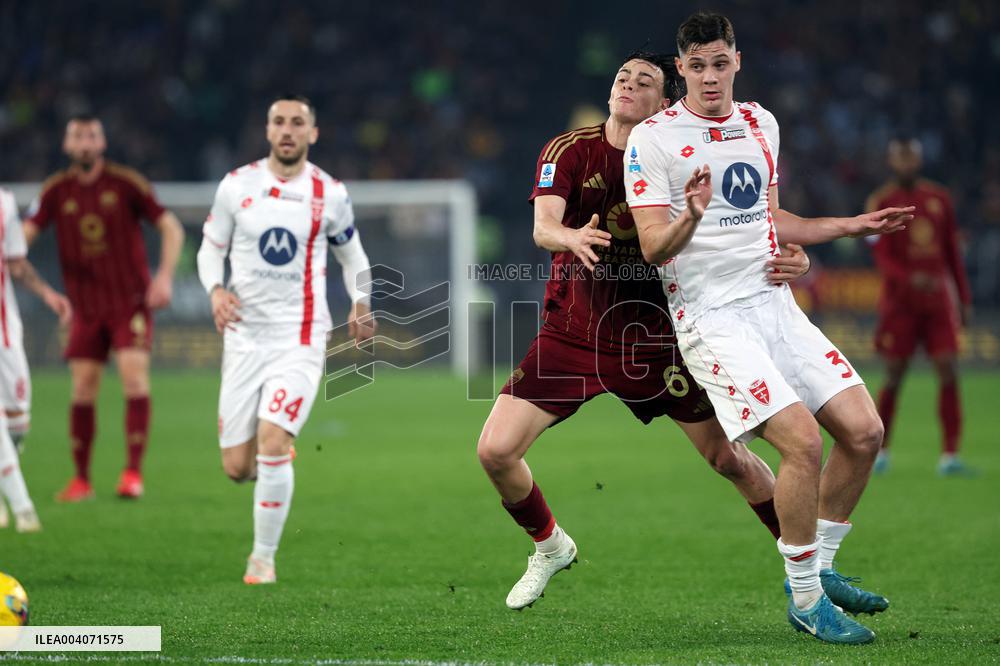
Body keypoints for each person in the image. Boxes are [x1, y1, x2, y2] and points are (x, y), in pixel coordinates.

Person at [478, 50, 888, 613]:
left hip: (657, 337)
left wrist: (794, 257)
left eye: (643, 80)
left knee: (730, 460)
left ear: (663, 104)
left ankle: (809, 575)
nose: (627, 83)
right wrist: (568, 237)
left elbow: (753, 228)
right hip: (572, 333)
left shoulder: (673, 153)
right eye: (622, 75)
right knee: (495, 451)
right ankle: (550, 547)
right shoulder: (570, 149)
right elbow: (543, 224)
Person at [628, 13, 913, 644]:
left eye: (719, 63)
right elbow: (651, 247)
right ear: (681, 69)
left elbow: (769, 217)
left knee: (865, 432)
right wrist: (693, 215)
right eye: (696, 65)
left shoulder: (761, 123)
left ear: (737, 61)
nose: (709, 77)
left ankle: (820, 568)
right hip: (712, 319)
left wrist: (846, 229)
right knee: (803, 442)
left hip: (775, 305)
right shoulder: (653, 139)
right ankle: (807, 601)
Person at [197, 94, 375, 585]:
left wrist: (361, 302)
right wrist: (214, 290)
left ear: (312, 134)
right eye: (279, 122)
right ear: (267, 130)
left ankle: (262, 560)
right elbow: (210, 251)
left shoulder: (329, 193)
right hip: (243, 338)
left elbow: (354, 259)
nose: (288, 130)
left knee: (272, 441)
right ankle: (271, 464)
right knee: (237, 467)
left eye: (298, 122)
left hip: (301, 338)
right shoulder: (237, 186)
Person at [24, 115, 184, 502]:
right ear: (66, 145)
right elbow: (21, 241)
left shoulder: (125, 183)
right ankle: (81, 480)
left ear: (102, 142)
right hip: (85, 308)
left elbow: (172, 227)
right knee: (82, 390)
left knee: (134, 380)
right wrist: (42, 287)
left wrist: (163, 277)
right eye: (77, 136)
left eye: (91, 135)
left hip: (129, 302)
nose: (84, 143)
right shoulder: (55, 192)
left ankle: (132, 473)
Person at [867, 138, 973, 476]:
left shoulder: (939, 199)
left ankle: (950, 455)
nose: (907, 163)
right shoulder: (881, 201)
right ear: (891, 160)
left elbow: (952, 255)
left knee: (948, 369)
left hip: (938, 303)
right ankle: (880, 451)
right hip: (901, 304)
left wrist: (964, 298)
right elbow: (881, 256)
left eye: (911, 156)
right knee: (895, 375)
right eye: (901, 157)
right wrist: (910, 278)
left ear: (920, 158)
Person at [0, 187, 70, 531]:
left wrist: (48, 294)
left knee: (17, 423)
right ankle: (22, 506)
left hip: (5, 334)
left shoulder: (4, 202)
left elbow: (14, 263)